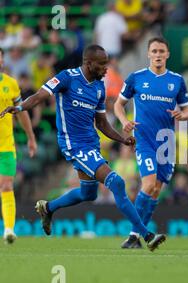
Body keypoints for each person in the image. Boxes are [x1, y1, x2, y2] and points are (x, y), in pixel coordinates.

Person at [0, 45, 165, 251]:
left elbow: (102, 123)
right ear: (89, 63)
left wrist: (122, 139)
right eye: (102, 64)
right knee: (117, 183)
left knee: (89, 194)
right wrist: (20, 107)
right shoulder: (67, 77)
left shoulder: (99, 88)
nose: (106, 68)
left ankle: (48, 208)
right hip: (73, 145)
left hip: (91, 145)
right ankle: (146, 235)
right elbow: (41, 95)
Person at [114, 37, 188, 248]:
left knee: (156, 190)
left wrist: (182, 115)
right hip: (145, 140)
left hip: (166, 143)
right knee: (148, 184)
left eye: (161, 51)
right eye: (154, 51)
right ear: (148, 54)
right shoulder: (136, 78)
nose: (158, 55)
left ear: (167, 55)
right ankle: (134, 235)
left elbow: (187, 109)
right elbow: (118, 105)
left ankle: (136, 239)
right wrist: (124, 121)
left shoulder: (176, 80)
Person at [0, 47, 37, 244]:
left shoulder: (11, 84)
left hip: (5, 146)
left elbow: (21, 112)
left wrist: (31, 136)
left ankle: (8, 230)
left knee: (6, 185)